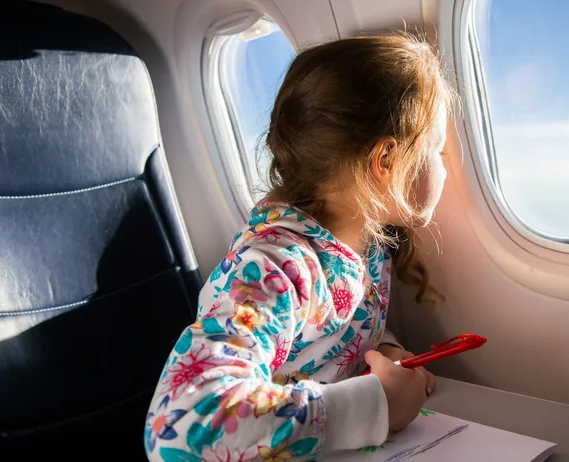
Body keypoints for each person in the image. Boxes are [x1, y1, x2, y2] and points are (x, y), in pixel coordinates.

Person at [144, 32, 458, 461]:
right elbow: (182, 427)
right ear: (386, 161)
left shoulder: (365, 250)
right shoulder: (274, 270)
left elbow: (326, 336)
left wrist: (380, 351)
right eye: (437, 149)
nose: (444, 166)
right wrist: (373, 406)